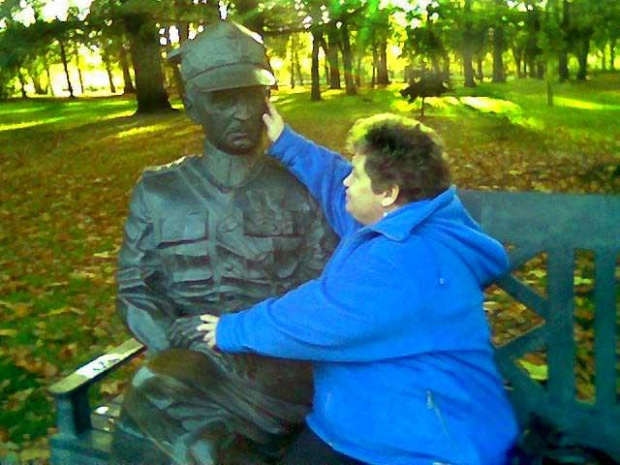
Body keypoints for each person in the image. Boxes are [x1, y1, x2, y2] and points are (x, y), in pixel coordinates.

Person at [198, 104, 519, 464]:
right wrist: (286, 143)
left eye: (357, 175)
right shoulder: (405, 217)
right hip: (372, 424)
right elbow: (336, 186)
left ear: (388, 193)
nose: (347, 181)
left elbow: (316, 319)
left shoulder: (407, 261)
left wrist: (233, 329)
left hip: (423, 446)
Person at [111, 21, 336, 465]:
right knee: (162, 413)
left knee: (150, 416)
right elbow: (135, 289)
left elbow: (327, 292)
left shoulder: (301, 188)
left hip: (283, 375)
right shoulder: (159, 192)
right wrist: (177, 346)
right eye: (222, 99)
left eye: (251, 97)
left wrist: (249, 339)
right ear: (192, 106)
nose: (241, 113)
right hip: (188, 373)